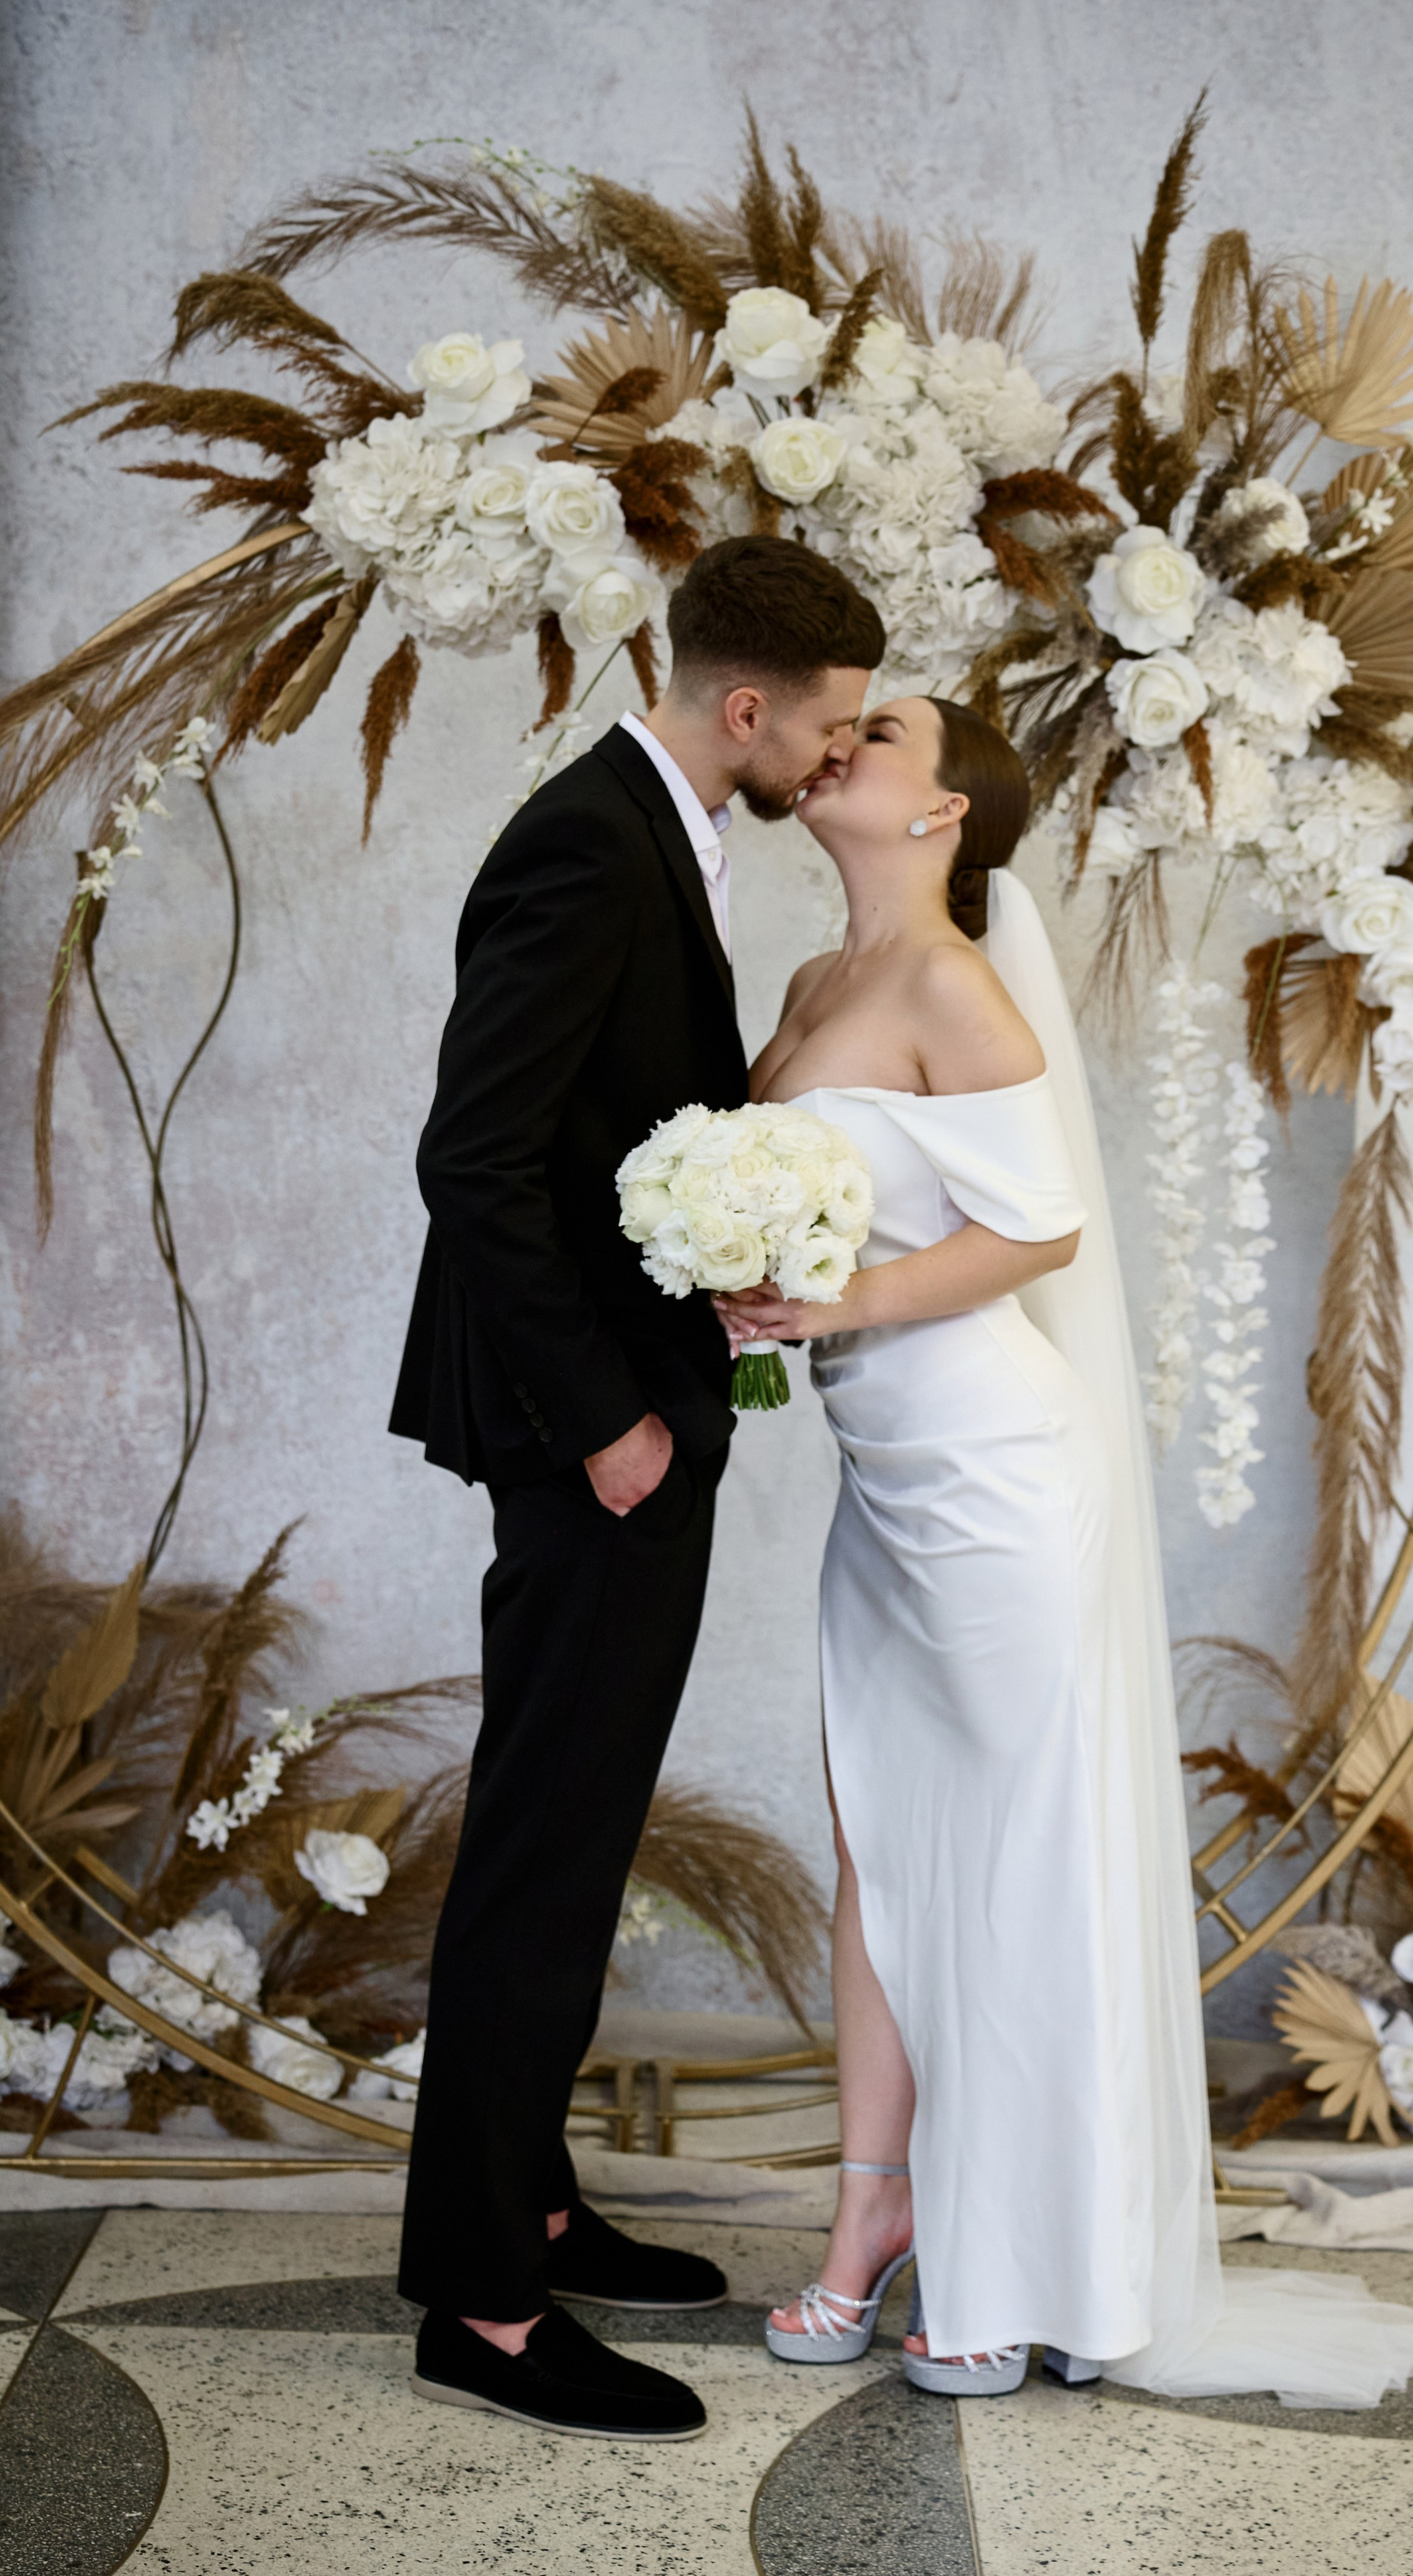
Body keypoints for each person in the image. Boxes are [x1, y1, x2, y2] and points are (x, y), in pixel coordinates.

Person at [720, 696, 1413, 2405]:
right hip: (881, 1480)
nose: (840, 742)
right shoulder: (814, 985)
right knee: (879, 1850)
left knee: (1005, 1860)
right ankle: (871, 2213)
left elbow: (1039, 1226)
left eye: (883, 733)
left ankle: (1007, 2248)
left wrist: (835, 1301)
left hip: (992, 1471)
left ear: (942, 815)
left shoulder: (950, 986)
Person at [389, 535, 886, 2440]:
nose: (832, 760)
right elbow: (475, 1157)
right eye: (825, 729)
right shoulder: (590, 841)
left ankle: (528, 2202)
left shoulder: (655, 826)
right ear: (744, 706)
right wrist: (605, 1418)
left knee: (576, 1835)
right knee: (545, 1845)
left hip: (625, 1417)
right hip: (583, 1438)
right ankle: (483, 2306)